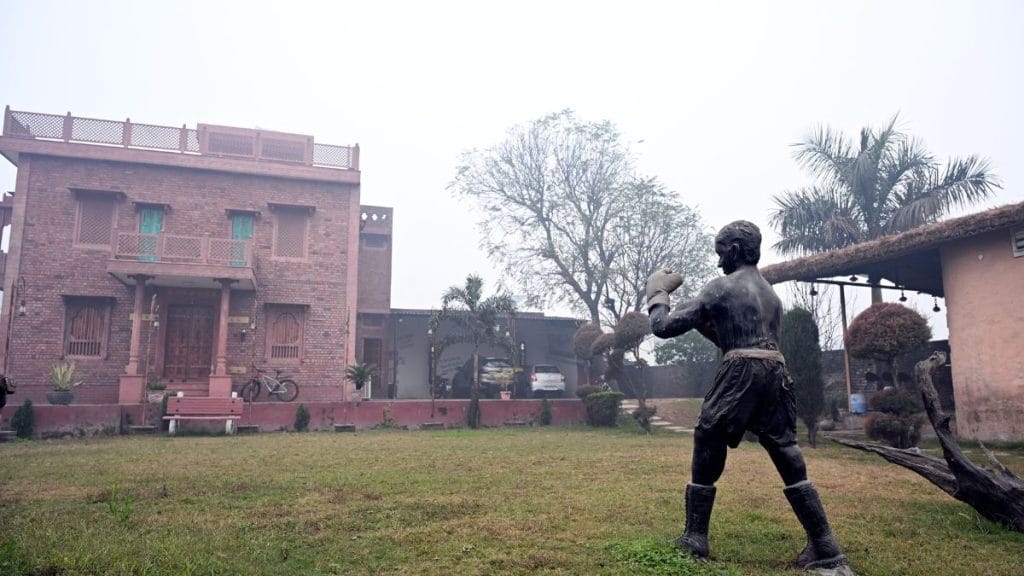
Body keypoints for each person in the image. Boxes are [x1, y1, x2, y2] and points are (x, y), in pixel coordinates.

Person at [647, 220, 847, 571]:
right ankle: (826, 546)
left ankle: (695, 537)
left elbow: (663, 328)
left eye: (720, 253)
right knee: (786, 450)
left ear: (734, 251)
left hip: (741, 370)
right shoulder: (771, 296)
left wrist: (657, 293)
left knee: (707, 436)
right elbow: (741, 339)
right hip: (776, 371)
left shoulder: (720, 288)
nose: (718, 261)